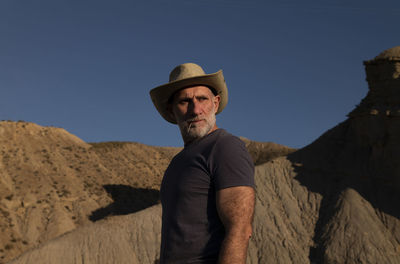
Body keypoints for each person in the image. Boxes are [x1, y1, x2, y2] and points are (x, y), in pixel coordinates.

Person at [150, 63, 255, 264]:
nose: (196, 110)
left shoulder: (225, 147)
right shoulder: (178, 162)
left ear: (215, 103)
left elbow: (240, 229)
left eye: (202, 99)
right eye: (185, 101)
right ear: (171, 111)